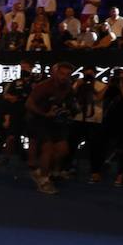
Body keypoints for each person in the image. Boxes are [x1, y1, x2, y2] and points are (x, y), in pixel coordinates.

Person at [26, 62, 75, 194]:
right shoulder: (44, 86)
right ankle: (43, 180)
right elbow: (28, 104)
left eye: (67, 74)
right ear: (55, 73)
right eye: (61, 73)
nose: (64, 77)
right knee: (47, 148)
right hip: (39, 120)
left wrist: (67, 111)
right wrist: (44, 114)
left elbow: (68, 103)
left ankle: (42, 171)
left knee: (63, 150)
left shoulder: (68, 87)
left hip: (55, 122)